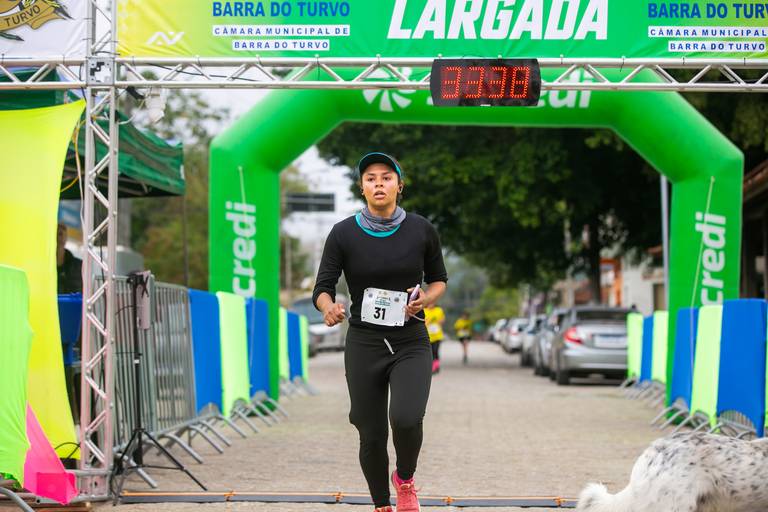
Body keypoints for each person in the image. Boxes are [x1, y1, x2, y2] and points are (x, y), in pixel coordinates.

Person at [313, 152, 447, 512]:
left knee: (406, 418)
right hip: (365, 342)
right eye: (370, 178)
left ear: (399, 186)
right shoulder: (343, 233)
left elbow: (438, 280)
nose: (378, 184)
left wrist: (426, 299)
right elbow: (322, 288)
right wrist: (328, 308)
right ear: (362, 188)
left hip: (411, 339)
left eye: (386, 177)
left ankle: (405, 479)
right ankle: (381, 504)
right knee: (370, 432)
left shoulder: (421, 230)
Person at [57, 223, 82, 294]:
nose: (60, 237)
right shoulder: (43, 265)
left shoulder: (78, 266)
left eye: (62, 234)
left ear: (66, 237)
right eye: (58, 234)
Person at [423, 304, 445, 374]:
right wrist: (428, 322)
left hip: (437, 335)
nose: (431, 304)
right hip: (428, 336)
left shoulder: (439, 310)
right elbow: (423, 322)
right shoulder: (424, 311)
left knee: (436, 351)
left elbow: (442, 320)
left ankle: (436, 366)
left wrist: (438, 321)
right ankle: (432, 367)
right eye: (430, 303)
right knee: (430, 352)